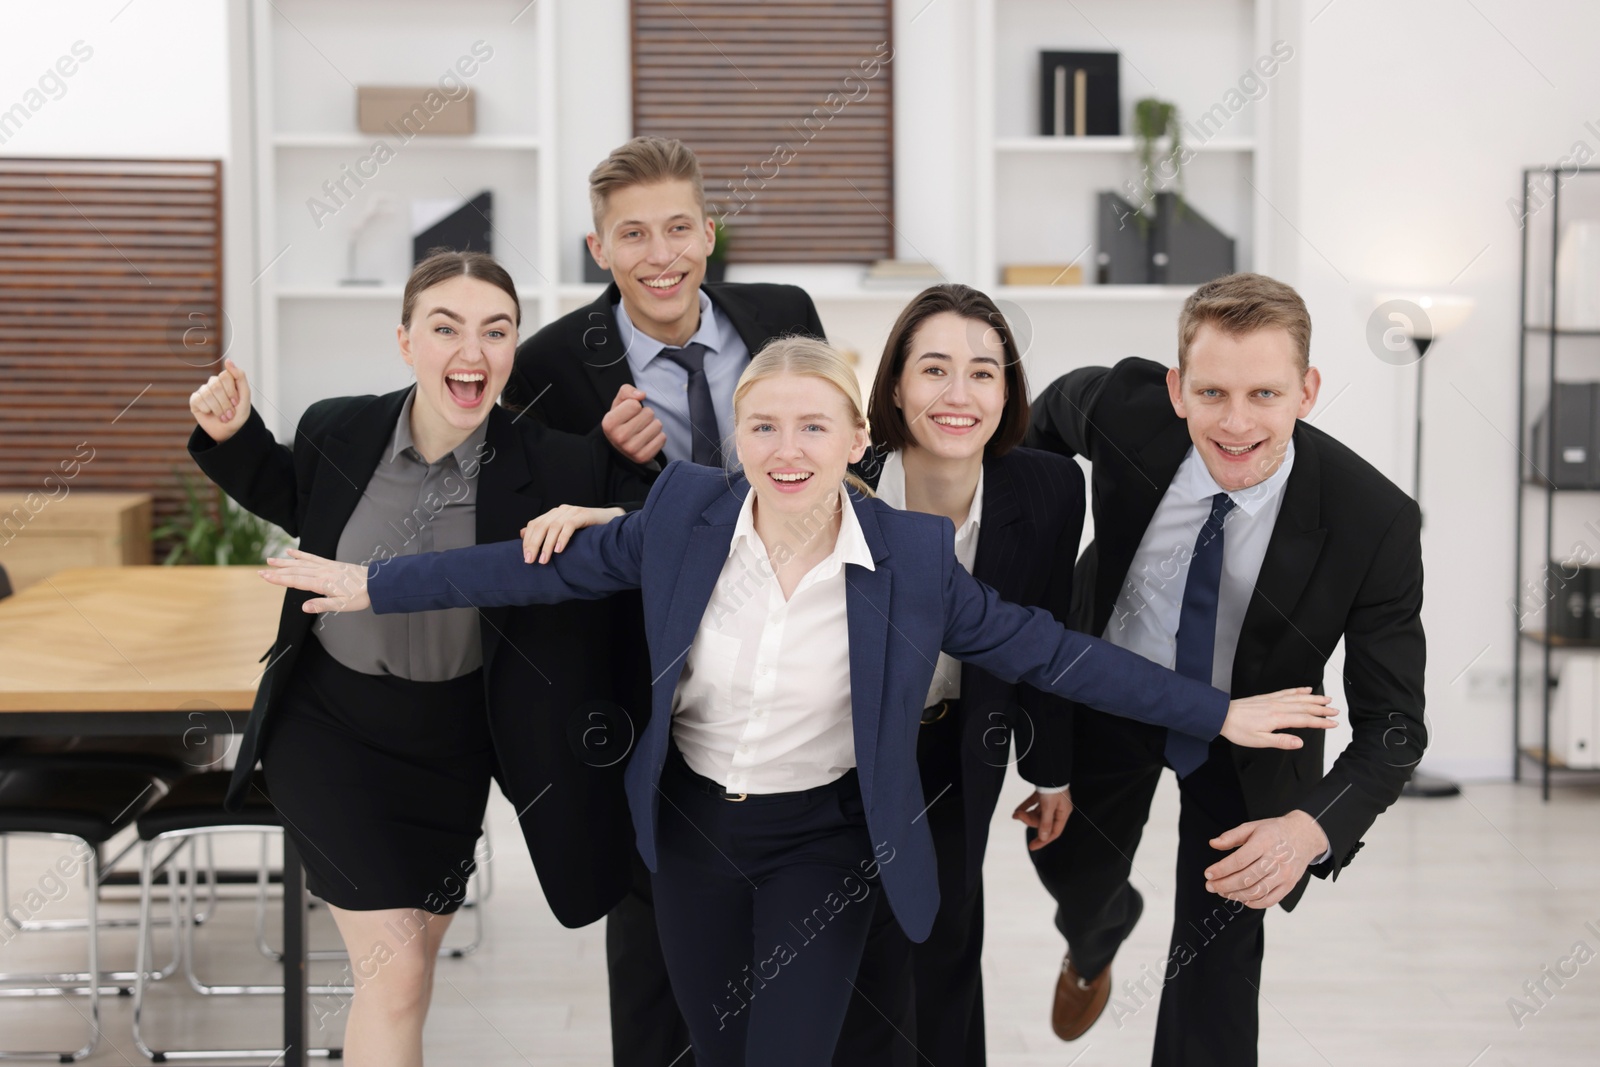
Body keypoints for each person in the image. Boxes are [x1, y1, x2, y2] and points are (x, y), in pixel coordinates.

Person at [259, 336, 1340, 1067]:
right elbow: (533, 570)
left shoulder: (911, 559)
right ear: (736, 439)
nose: (787, 451)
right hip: (687, 834)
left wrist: (1219, 712)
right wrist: (372, 581)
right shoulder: (682, 515)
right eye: (764, 427)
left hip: (820, 842)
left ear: (857, 439)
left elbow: (1052, 650)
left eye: (813, 428)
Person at [186, 251, 651, 1066]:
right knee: (396, 973)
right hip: (329, 728)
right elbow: (298, 497)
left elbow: (645, 544)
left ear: (512, 348)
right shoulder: (341, 426)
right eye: (445, 328)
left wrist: (620, 468)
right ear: (405, 341)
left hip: (453, 747)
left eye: (495, 331)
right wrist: (232, 437)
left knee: (409, 972)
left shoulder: (554, 462)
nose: (470, 351)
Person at [1021, 272, 1427, 1067]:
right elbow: (1038, 428)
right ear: (1176, 389)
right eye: (1211, 392)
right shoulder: (1122, 409)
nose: (1237, 423)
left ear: (1306, 391)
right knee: (1073, 870)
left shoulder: (1373, 520)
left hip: (1251, 735)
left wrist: (1311, 826)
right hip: (1110, 689)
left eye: (1265, 394)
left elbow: (1395, 726)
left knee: (1217, 964)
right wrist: (1029, 555)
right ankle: (1097, 933)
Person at [504, 135, 826, 1067]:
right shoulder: (552, 363)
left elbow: (831, 445)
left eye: (679, 228)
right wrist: (604, 457)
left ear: (709, 234)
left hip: (794, 659)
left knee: (789, 933)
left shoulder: (783, 315)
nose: (662, 254)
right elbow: (538, 531)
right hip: (649, 684)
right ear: (598, 248)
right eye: (633, 234)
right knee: (654, 950)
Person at [836, 284, 1083, 1066]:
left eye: (983, 372)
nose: (958, 394)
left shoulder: (1048, 489)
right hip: (842, 749)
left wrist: (1050, 772)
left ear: (1007, 392)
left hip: (954, 748)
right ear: (897, 386)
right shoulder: (844, 480)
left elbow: (1045, 637)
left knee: (943, 941)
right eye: (934, 369)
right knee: (850, 950)